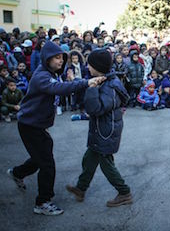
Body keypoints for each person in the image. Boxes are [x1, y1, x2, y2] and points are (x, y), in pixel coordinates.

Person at [6, 41, 105, 216]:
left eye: (62, 58)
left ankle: (16, 173)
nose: (60, 61)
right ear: (46, 58)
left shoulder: (50, 73)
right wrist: (86, 83)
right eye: (57, 57)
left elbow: (64, 84)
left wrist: (85, 82)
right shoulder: (42, 76)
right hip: (30, 126)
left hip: (36, 125)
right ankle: (43, 202)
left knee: (40, 158)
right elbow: (59, 88)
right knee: (47, 164)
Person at [66, 49, 132, 207]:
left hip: (106, 132)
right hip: (101, 130)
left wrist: (93, 89)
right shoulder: (103, 80)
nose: (87, 67)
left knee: (106, 164)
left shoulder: (109, 86)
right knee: (89, 159)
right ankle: (81, 189)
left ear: (98, 67)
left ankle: (124, 192)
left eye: (90, 64)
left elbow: (95, 109)